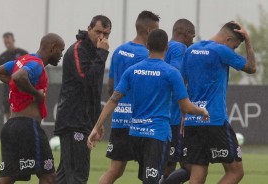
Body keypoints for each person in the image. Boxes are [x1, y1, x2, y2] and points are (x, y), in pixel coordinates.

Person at [88, 29, 209, 184]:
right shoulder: (171, 73)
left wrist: (96, 127)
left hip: (136, 135)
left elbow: (113, 100)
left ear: (147, 45)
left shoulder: (132, 71)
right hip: (157, 136)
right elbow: (185, 107)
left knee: (148, 179)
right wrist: (202, 111)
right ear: (166, 47)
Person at [181, 21, 256, 184]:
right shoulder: (221, 50)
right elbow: (251, 67)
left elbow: (181, 84)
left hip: (192, 122)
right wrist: (248, 40)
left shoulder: (191, 50)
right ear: (228, 39)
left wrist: (183, 116)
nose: (233, 50)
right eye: (234, 47)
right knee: (235, 172)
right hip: (214, 120)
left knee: (198, 172)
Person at [0, 33, 65, 184]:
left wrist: (20, 88)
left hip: (11, 127)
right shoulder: (36, 64)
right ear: (52, 48)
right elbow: (18, 77)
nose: (61, 55)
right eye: (60, 50)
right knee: (49, 176)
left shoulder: (23, 59)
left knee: (7, 178)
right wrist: (35, 93)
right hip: (27, 127)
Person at [101, 10, 160, 184]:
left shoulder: (119, 51)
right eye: (157, 30)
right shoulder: (146, 56)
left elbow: (111, 86)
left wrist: (117, 107)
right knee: (149, 173)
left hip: (120, 119)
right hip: (141, 122)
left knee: (115, 170)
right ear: (149, 30)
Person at [54, 15, 112, 184]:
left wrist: (97, 122)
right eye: (98, 32)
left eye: (106, 34)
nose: (102, 37)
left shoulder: (95, 52)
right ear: (89, 29)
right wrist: (102, 53)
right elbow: (87, 80)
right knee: (78, 175)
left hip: (83, 122)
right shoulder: (78, 49)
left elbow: (93, 92)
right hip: (73, 122)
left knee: (65, 176)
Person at [161, 19, 195, 184]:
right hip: (175, 117)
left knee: (169, 164)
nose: (193, 41)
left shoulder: (166, 47)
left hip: (165, 116)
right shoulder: (180, 48)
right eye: (192, 37)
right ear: (187, 34)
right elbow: (175, 76)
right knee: (189, 168)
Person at [0, 32, 28, 120]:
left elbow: (31, 68)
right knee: (7, 108)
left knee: (21, 110)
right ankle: (9, 125)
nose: (7, 44)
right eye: (5, 42)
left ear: (13, 40)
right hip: (8, 86)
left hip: (21, 86)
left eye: (9, 41)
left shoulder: (23, 53)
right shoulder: (2, 57)